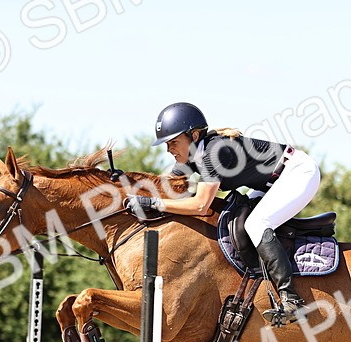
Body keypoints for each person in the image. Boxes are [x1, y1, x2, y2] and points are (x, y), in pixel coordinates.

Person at [125, 102, 320, 324]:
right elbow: (165, 187)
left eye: (173, 142)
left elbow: (200, 206)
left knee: (256, 224)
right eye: (167, 144)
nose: (169, 150)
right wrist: (127, 187)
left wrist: (153, 204)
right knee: (239, 223)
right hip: (271, 182)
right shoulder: (192, 155)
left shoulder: (213, 153)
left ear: (194, 135)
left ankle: (291, 299)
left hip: (298, 173)